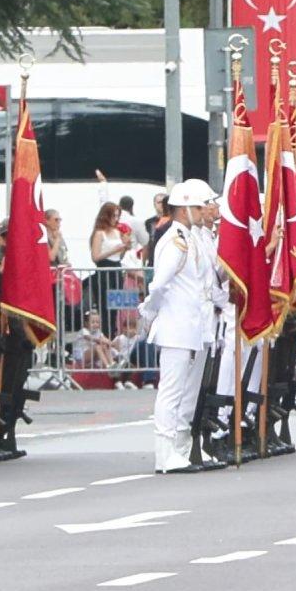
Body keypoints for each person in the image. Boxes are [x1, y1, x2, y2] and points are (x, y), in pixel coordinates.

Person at [139, 179, 229, 473]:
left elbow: (205, 282)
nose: (206, 211)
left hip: (192, 325)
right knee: (172, 391)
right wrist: (149, 313)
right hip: (176, 325)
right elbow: (160, 284)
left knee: (187, 394)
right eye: (201, 206)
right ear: (185, 208)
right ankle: (164, 454)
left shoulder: (189, 237)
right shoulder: (175, 239)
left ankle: (179, 448)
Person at [89, 201, 130, 336]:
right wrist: (113, 251)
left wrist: (124, 247)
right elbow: (95, 257)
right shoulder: (100, 233)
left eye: (118, 216)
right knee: (105, 308)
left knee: (115, 309)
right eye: (113, 216)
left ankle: (114, 334)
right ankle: (106, 334)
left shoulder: (118, 232)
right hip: (104, 270)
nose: (116, 219)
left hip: (116, 270)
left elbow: (120, 255)